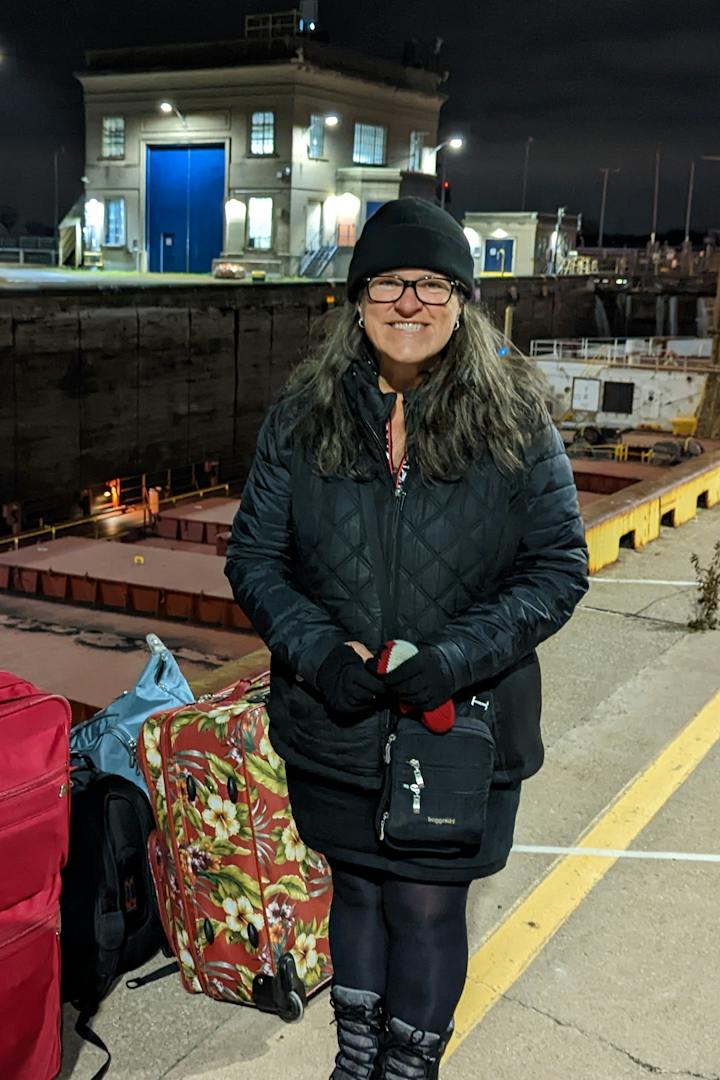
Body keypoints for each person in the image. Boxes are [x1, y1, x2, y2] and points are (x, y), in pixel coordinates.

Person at [224, 198, 589, 1079]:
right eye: (388, 281)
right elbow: (255, 559)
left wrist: (454, 661)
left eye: (432, 283)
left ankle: (407, 1070)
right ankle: (356, 1066)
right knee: (353, 891)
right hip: (338, 723)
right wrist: (317, 654)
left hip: (457, 729)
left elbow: (557, 568)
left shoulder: (516, 421)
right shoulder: (303, 416)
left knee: (427, 908)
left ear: (463, 300)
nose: (409, 302)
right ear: (356, 299)